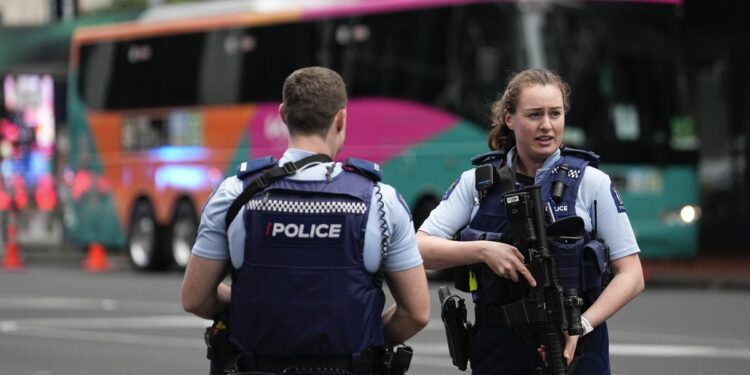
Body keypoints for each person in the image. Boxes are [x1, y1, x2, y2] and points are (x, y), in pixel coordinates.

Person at [181, 66, 430, 374]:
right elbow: (416, 313)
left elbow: (195, 298)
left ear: (283, 115)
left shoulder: (234, 193)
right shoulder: (382, 200)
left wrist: (256, 302)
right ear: (341, 119)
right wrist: (365, 338)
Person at [417, 68, 644, 374]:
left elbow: (631, 275)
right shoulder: (478, 183)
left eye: (556, 113)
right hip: (498, 351)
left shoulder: (592, 182)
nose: (547, 126)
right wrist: (483, 250)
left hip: (575, 348)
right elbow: (418, 248)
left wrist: (582, 325)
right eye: (535, 115)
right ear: (509, 119)